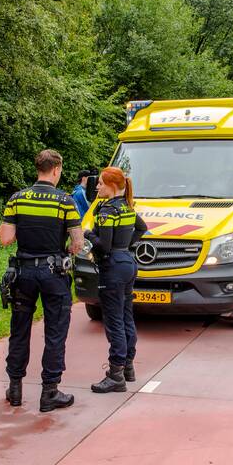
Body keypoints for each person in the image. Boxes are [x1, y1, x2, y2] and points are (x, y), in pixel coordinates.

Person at [0, 149, 85, 412]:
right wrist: (68, 248)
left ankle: (15, 389)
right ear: (56, 169)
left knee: (19, 329)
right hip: (53, 273)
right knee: (55, 331)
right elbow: (78, 243)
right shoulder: (65, 201)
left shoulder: (17, 198)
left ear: (38, 168)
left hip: (23, 274)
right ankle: (49, 392)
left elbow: (5, 238)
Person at [85, 167, 147, 393]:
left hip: (112, 266)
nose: (98, 187)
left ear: (111, 186)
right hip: (128, 263)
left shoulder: (107, 211)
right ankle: (128, 366)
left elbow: (104, 245)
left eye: (101, 183)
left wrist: (87, 234)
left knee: (113, 321)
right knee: (126, 315)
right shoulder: (126, 207)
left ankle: (116, 374)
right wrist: (127, 245)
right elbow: (142, 228)